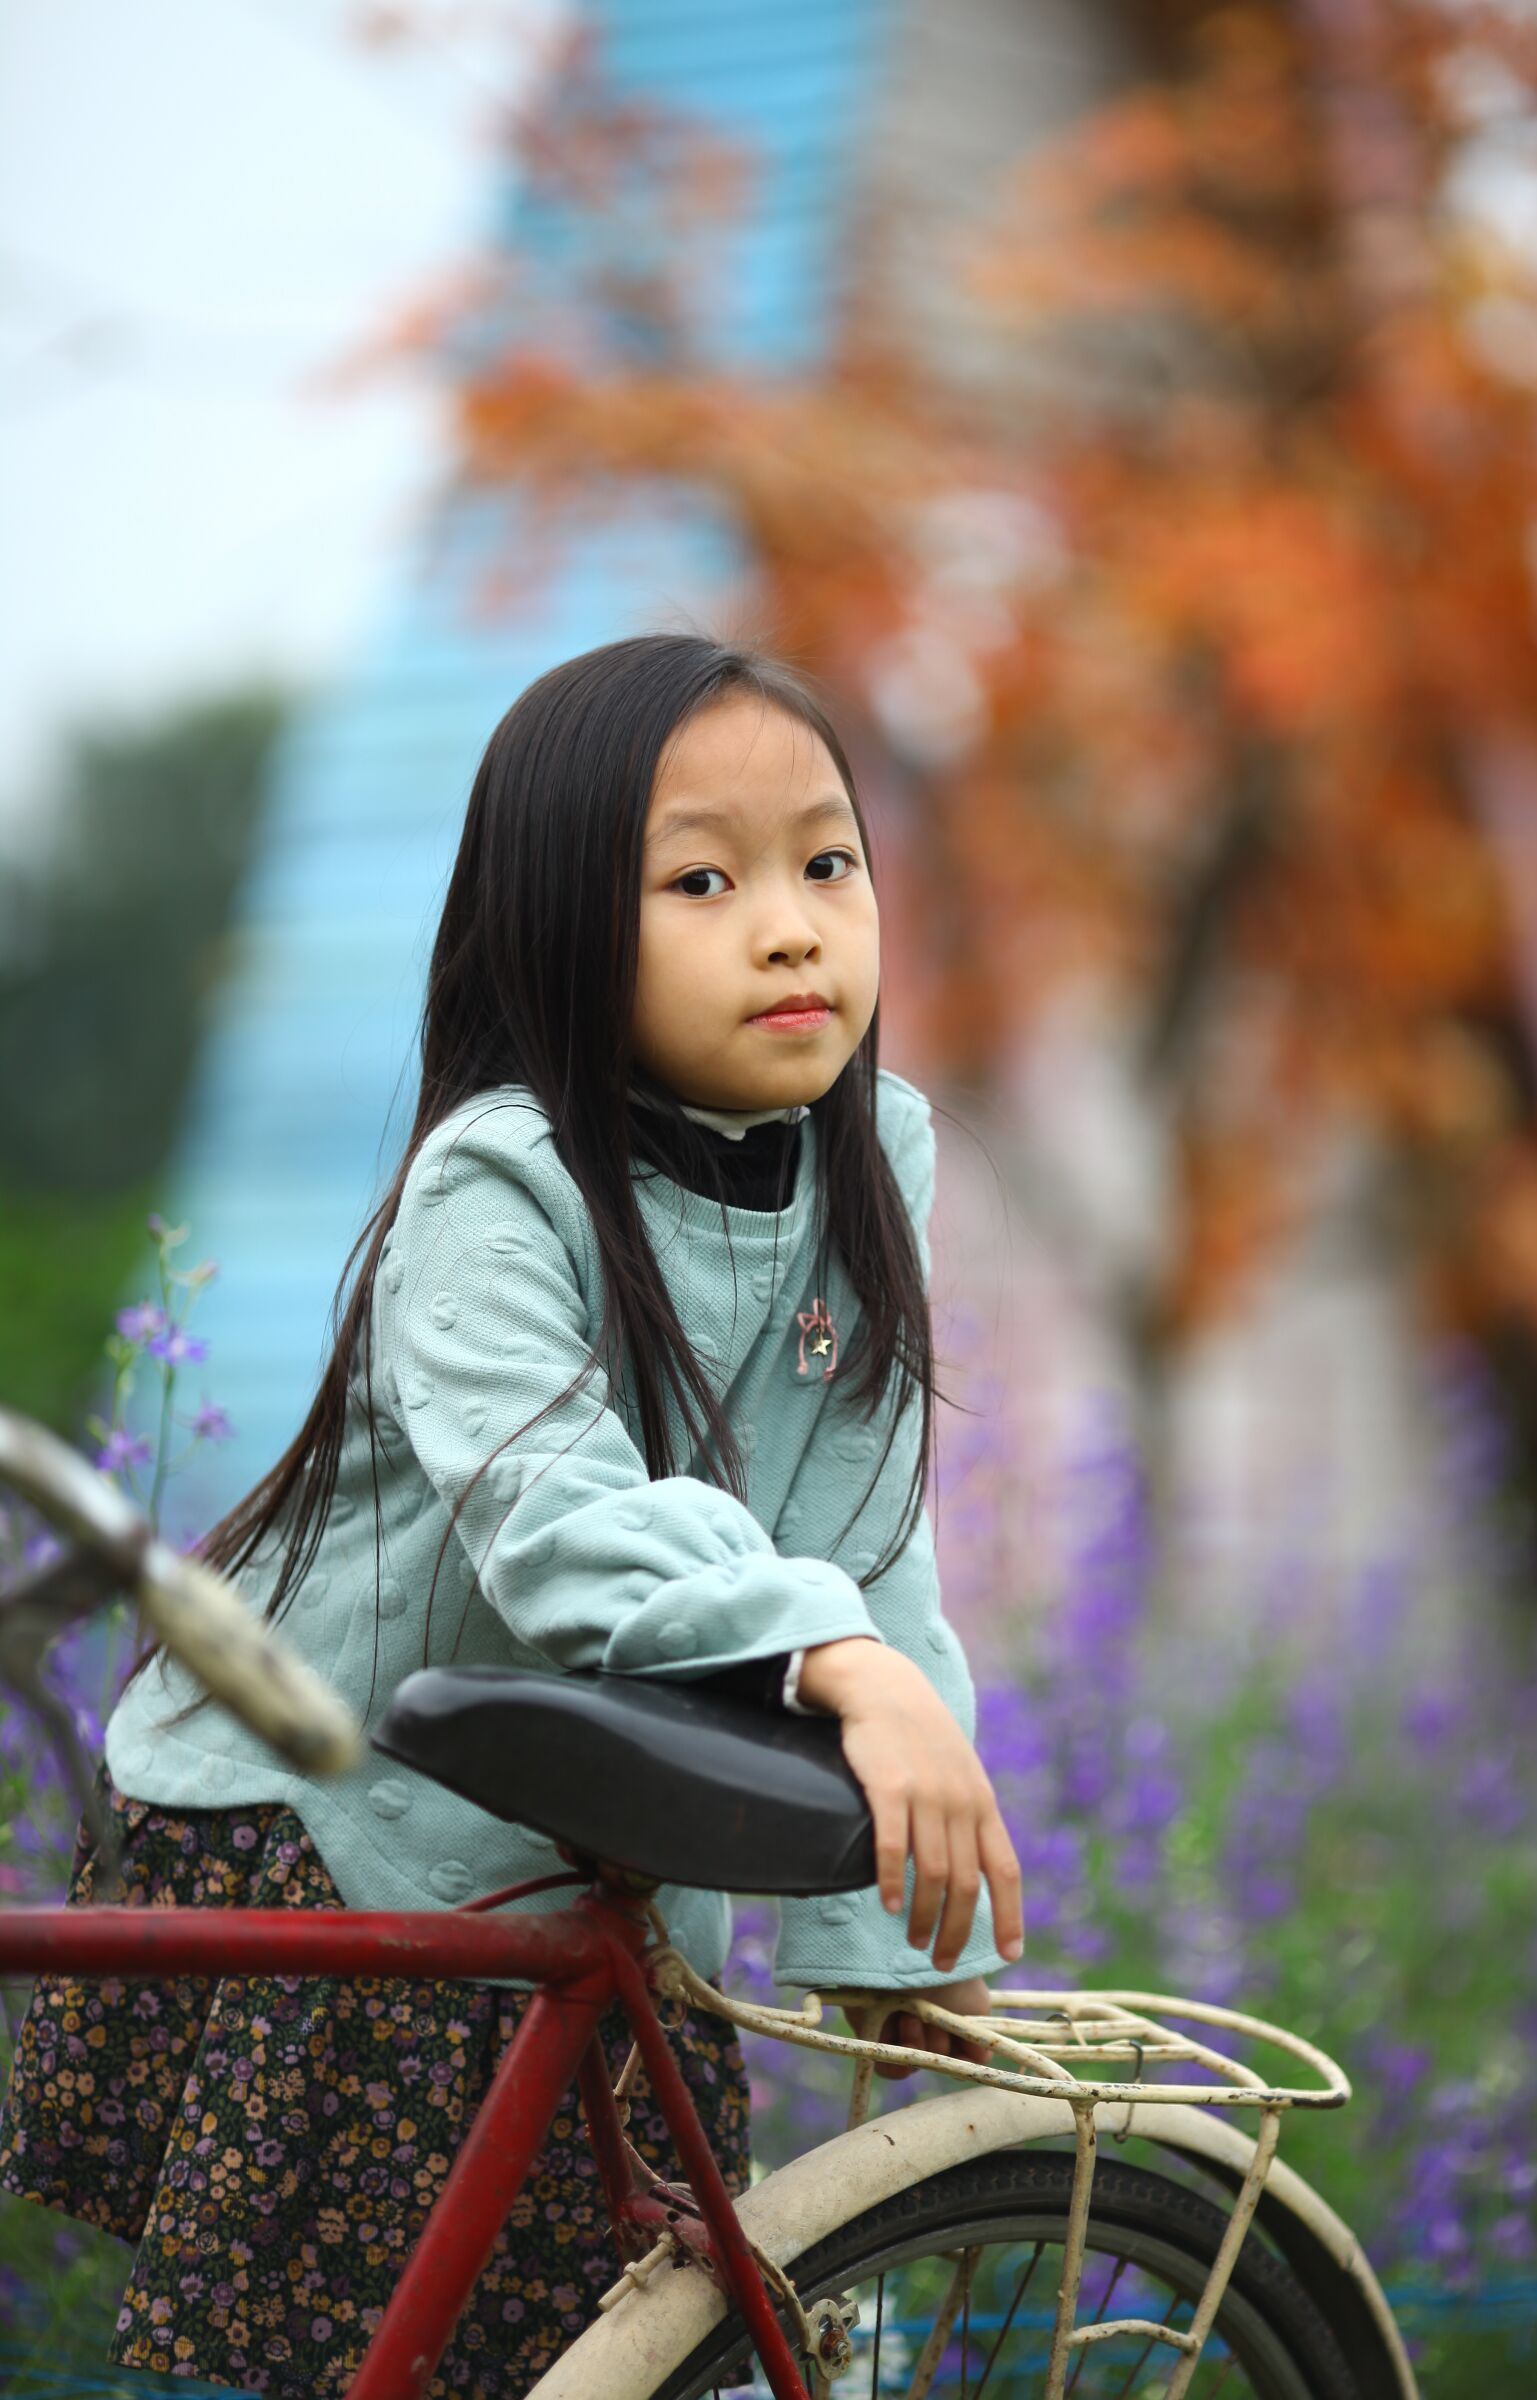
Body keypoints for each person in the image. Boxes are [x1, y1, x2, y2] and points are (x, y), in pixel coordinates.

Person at [0, 630, 1025, 2397]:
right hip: (346, 1822)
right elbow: (557, 1518)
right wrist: (836, 1662)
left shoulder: (872, 1160)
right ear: (557, 924)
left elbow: (864, 1534)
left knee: (630, 2344)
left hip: (588, 1845)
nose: (790, 924)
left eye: (826, 863)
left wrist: (889, 1938)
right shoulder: (499, 1181)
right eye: (701, 879)